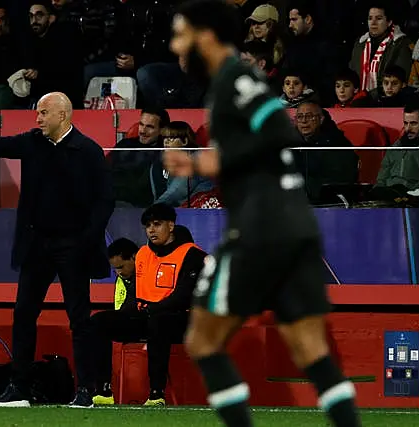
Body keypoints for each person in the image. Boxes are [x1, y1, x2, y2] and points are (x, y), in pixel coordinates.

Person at [163, 1, 362, 426]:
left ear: (206, 36)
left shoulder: (235, 79)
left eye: (181, 35)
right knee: (310, 349)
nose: (175, 46)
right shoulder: (236, 81)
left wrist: (199, 164)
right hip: (293, 226)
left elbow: (276, 134)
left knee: (202, 340)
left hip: (261, 228)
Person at [0, 92, 114, 407]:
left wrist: (86, 239)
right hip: (38, 245)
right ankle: (19, 387)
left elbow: (104, 201)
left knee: (79, 317)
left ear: (63, 114)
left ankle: (86, 390)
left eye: (44, 113)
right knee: (23, 314)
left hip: (73, 246)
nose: (38, 118)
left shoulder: (88, 151)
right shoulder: (33, 143)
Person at [92, 204, 206, 407]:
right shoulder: (143, 254)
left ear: (171, 225)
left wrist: (150, 310)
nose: (151, 230)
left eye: (157, 224)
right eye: (147, 226)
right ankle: (103, 391)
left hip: (181, 319)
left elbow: (183, 297)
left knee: (159, 322)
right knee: (99, 321)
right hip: (147, 315)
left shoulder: (192, 255)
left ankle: (156, 394)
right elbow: (135, 293)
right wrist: (126, 314)